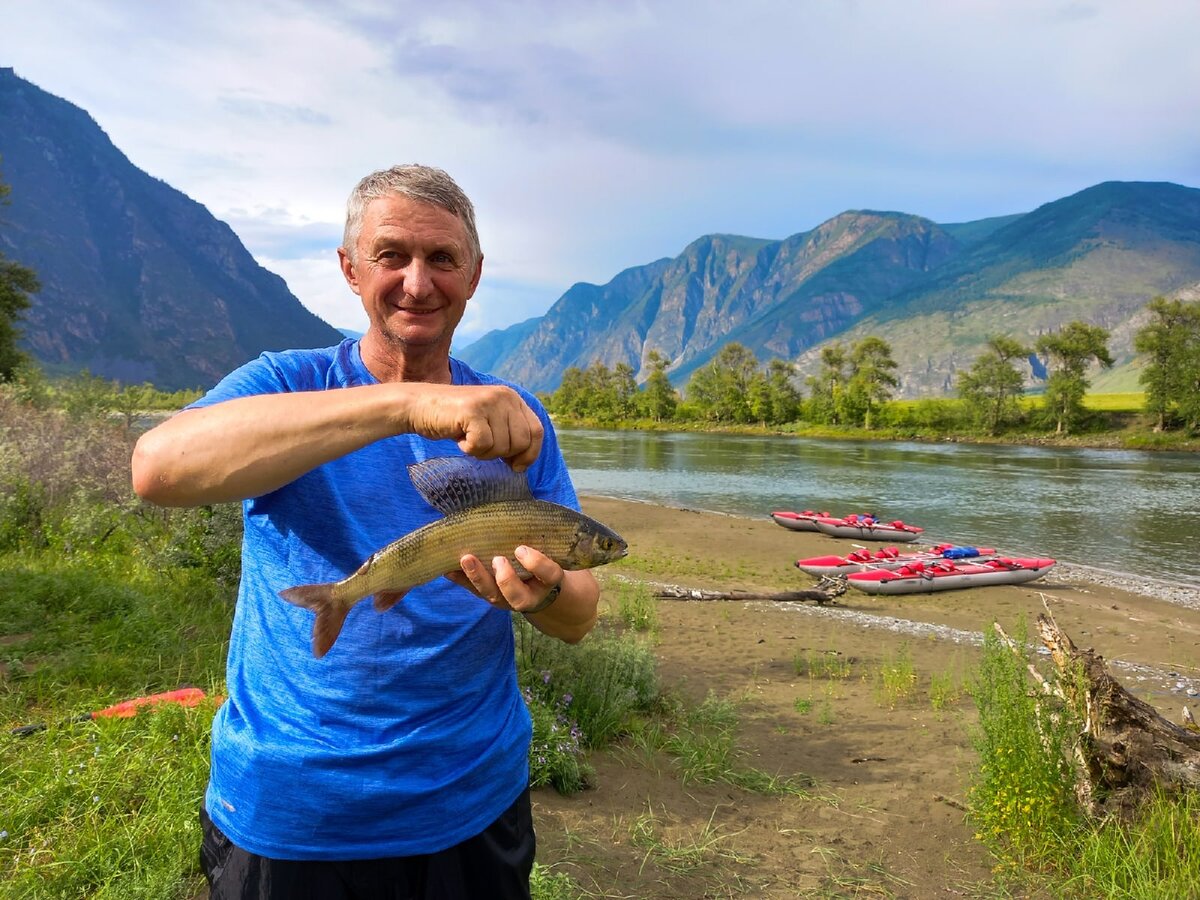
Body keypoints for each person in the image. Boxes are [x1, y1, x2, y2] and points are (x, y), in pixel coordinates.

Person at [131, 164, 601, 899]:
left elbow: (580, 615)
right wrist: (405, 404)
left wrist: (541, 597)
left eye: (443, 259)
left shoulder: (514, 417)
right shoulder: (285, 385)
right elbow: (157, 469)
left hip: (473, 804)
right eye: (393, 256)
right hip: (294, 812)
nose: (418, 283)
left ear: (475, 276)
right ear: (350, 270)